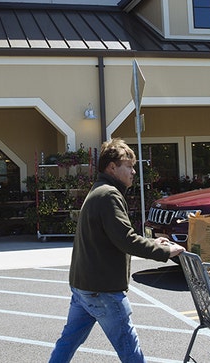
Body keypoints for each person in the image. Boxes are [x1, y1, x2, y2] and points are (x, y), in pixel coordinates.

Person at [49, 138, 185, 362]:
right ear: (112, 167)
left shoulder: (99, 191)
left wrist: (154, 243)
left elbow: (115, 236)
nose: (133, 171)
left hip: (84, 286)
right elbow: (126, 240)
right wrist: (164, 252)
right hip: (102, 291)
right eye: (129, 166)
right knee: (130, 351)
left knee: (68, 341)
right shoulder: (109, 195)